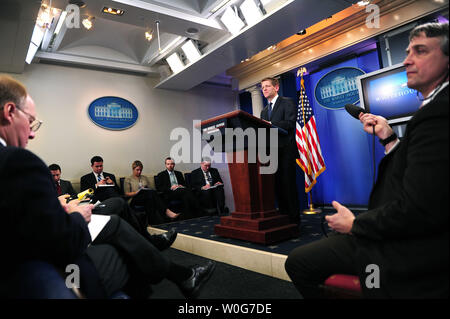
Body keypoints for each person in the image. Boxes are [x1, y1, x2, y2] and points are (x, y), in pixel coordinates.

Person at [0, 74, 216, 299]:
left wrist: (59, 206)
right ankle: (175, 274)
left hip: (25, 258)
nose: (33, 133)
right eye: (31, 121)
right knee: (121, 245)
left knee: (118, 216)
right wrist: (76, 215)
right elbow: (61, 242)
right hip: (38, 272)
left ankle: (176, 272)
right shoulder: (17, 160)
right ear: (10, 112)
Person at [285, 22, 449, 298]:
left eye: (420, 51)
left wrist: (356, 225)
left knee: (299, 262)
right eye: (408, 51)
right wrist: (388, 138)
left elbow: (420, 209)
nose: (407, 60)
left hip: (415, 248)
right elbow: (421, 173)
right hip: (413, 234)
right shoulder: (434, 107)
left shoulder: (437, 113)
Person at [260, 77, 300, 225]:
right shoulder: (264, 111)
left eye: (267, 86)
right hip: (272, 154)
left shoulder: (287, 102)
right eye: (262, 87)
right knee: (278, 188)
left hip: (286, 152)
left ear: (276, 88)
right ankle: (283, 220)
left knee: (288, 187)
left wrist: (270, 124)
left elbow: (289, 123)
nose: (264, 89)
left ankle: (294, 222)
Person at [123, 160, 179, 225]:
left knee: (150, 198)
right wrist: (137, 192)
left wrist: (145, 188)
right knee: (151, 195)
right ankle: (167, 212)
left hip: (146, 197)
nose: (139, 172)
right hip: (134, 199)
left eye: (140, 170)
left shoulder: (144, 178)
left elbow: (151, 189)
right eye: (137, 170)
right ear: (133, 169)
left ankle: (152, 223)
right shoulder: (128, 179)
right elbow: (126, 194)